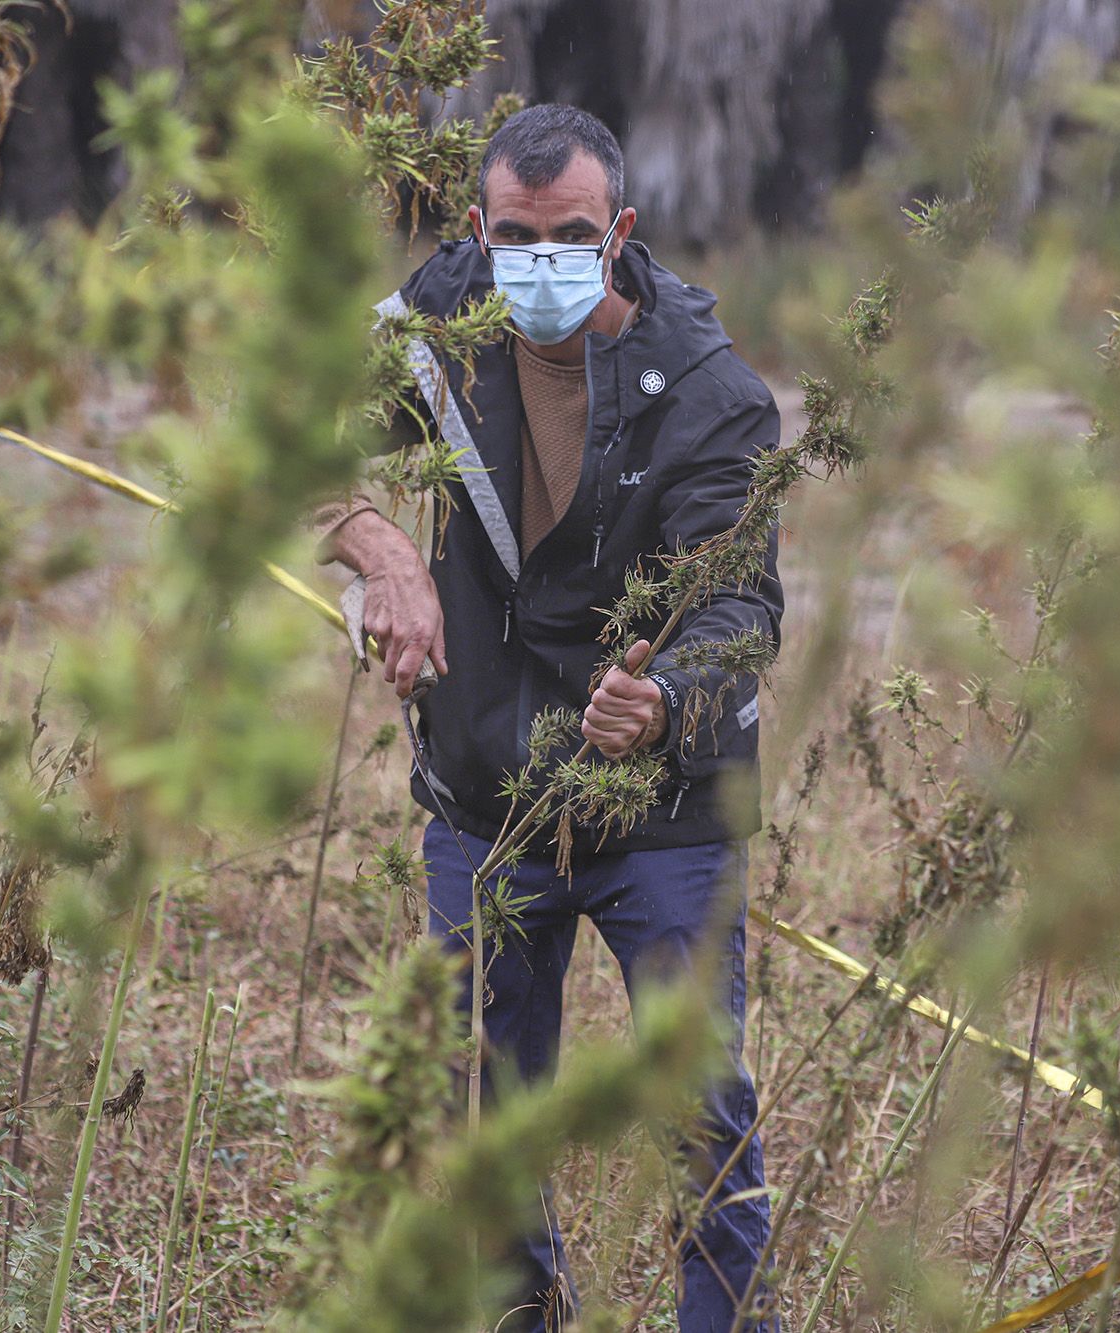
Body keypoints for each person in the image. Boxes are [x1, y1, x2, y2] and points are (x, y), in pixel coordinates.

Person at [317, 104, 782, 1333]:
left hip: (664, 812)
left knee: (698, 1107)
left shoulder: (710, 396)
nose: (539, 262)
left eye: (570, 235)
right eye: (514, 236)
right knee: (482, 1104)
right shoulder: (436, 335)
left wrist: (665, 694)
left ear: (617, 232)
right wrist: (383, 554)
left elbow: (738, 607)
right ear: (476, 231)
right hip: (485, 794)